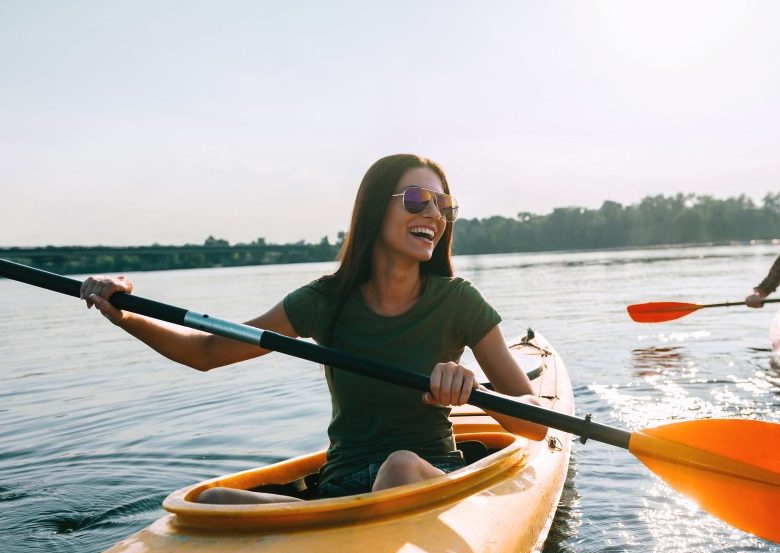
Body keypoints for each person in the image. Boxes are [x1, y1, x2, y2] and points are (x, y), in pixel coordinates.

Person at [79, 154, 547, 503]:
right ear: (373, 210)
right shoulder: (324, 301)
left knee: (399, 466)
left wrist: (469, 389)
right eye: (417, 200)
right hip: (340, 488)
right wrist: (125, 313)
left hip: (425, 476)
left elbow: (533, 423)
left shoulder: (458, 301)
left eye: (444, 205)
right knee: (209, 500)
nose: (434, 215)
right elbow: (206, 351)